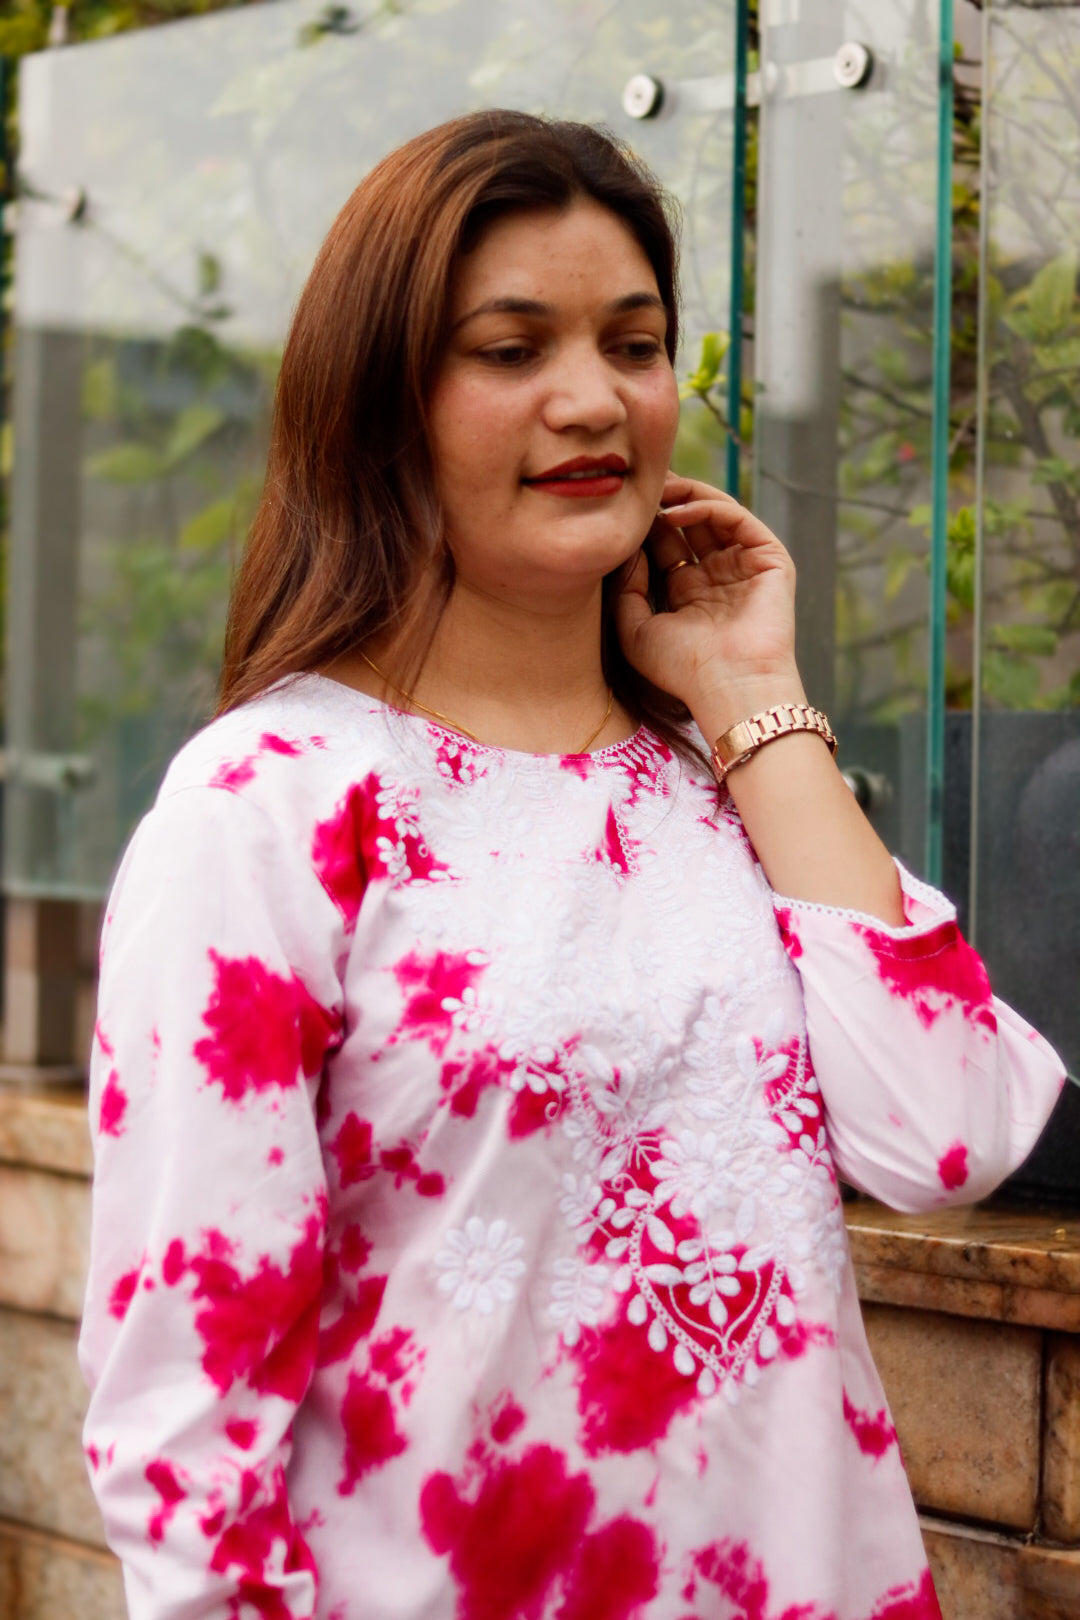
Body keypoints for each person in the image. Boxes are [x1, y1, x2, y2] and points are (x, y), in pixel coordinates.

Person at [79, 109, 1064, 1620]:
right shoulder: (273, 805)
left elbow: (951, 1137)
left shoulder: (717, 782)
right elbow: (183, 1418)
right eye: (509, 348)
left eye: (635, 341)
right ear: (381, 400)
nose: (591, 399)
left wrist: (746, 696)